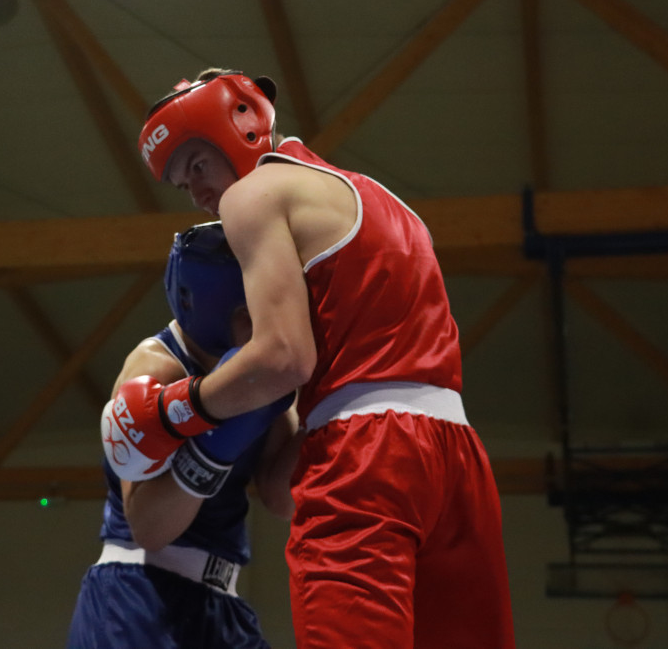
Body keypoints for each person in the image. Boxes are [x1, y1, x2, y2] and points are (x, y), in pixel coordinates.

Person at [110, 69, 515, 648]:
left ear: (241, 127)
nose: (199, 193)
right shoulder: (381, 198)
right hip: (458, 459)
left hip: (365, 456)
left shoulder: (252, 196)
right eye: (182, 184)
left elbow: (284, 357)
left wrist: (178, 409)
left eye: (197, 164)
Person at [69, 221, 301, 649]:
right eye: (256, 308)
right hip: (139, 594)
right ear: (221, 306)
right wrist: (220, 440)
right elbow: (149, 527)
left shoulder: (261, 369)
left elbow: (280, 498)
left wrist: (330, 408)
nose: (275, 319)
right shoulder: (155, 368)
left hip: (222, 603)